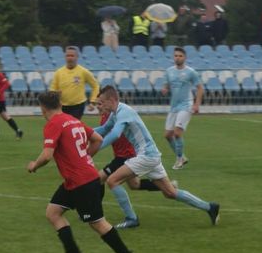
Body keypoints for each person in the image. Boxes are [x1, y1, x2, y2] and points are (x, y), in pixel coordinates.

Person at [27, 90, 139, 253]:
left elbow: (47, 156)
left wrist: (34, 165)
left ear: (42, 108)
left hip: (83, 182)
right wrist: (85, 157)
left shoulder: (53, 123)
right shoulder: (72, 120)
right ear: (60, 105)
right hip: (77, 179)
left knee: (98, 223)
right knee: (53, 212)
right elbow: (97, 139)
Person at [95, 84, 221, 226]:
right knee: (170, 193)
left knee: (112, 181)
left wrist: (95, 148)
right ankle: (210, 207)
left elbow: (115, 134)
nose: (101, 106)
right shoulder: (116, 113)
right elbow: (104, 129)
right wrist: (83, 131)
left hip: (146, 155)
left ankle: (132, 219)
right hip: (151, 155)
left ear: (111, 100)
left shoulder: (124, 112)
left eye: (103, 102)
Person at [95, 96, 166, 229]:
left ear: (108, 102)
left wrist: (94, 148)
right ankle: (166, 187)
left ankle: (97, 211)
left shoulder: (118, 116)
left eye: (100, 103)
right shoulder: (106, 119)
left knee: (101, 179)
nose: (98, 106)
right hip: (122, 156)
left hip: (126, 156)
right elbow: (102, 132)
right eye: (96, 104)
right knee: (134, 184)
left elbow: (114, 135)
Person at [162, 47, 204, 170]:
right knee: (167, 135)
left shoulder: (191, 72)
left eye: (180, 56)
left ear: (185, 58)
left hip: (187, 105)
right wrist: (165, 89)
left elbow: (200, 88)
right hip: (174, 106)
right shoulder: (169, 71)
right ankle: (182, 157)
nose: (178, 58)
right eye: (176, 55)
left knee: (177, 133)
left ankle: (179, 160)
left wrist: (197, 104)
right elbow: (167, 85)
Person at [50, 46, 99, 118]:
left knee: (73, 127)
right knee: (63, 127)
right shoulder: (59, 72)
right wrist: (54, 98)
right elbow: (53, 89)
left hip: (78, 106)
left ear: (77, 57)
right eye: (68, 56)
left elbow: (95, 85)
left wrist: (93, 101)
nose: (70, 58)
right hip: (62, 106)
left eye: (72, 56)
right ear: (65, 57)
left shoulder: (83, 71)